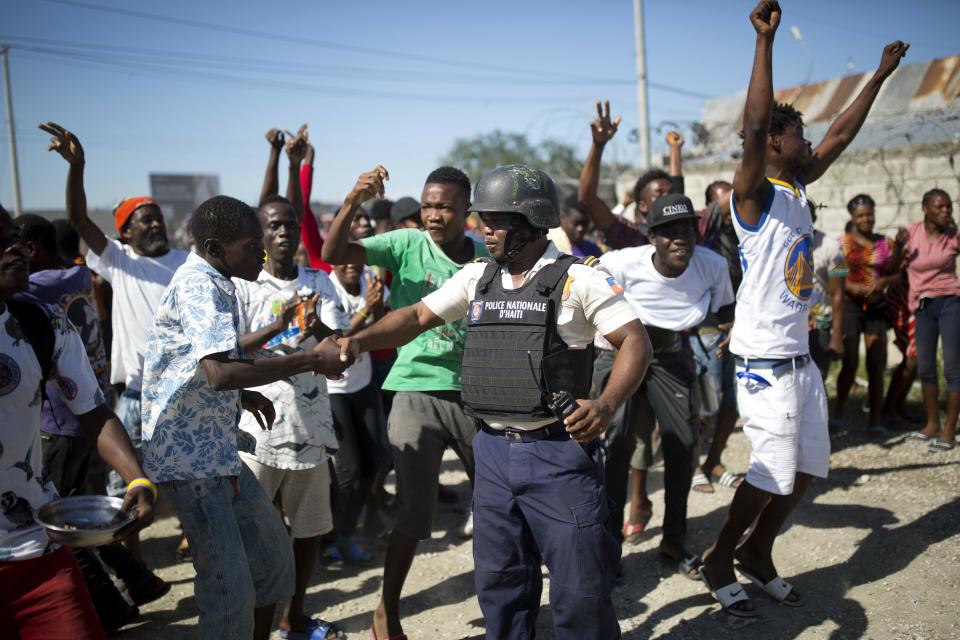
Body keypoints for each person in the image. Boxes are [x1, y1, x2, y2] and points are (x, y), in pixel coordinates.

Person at [338, 164, 650, 640]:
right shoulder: (477, 278)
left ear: (530, 222)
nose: (483, 228)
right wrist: (356, 342)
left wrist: (605, 406)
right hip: (492, 454)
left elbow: (634, 341)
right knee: (501, 586)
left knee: (580, 591)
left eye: (496, 219)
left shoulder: (578, 280)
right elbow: (417, 315)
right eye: (482, 217)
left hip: (557, 454)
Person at [700, 0, 907, 617]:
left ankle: (758, 552)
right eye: (797, 134)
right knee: (769, 469)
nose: (809, 139)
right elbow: (758, 123)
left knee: (809, 469)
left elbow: (841, 133)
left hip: (800, 357)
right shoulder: (754, 195)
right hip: (763, 360)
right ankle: (718, 556)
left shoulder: (799, 187)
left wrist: (877, 76)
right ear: (771, 146)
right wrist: (764, 44)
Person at [140, 195, 352, 640]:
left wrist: (243, 397)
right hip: (193, 464)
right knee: (229, 591)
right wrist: (310, 359)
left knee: (274, 562)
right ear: (216, 247)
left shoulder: (221, 280)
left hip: (218, 452)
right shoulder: (200, 284)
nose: (261, 251)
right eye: (251, 244)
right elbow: (219, 373)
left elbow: (198, 366)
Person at [321, 165, 487, 639]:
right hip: (414, 388)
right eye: (428, 205)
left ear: (467, 211)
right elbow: (332, 252)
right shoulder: (405, 244)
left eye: (446, 207)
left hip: (472, 393)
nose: (434, 216)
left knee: (499, 502)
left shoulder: (484, 258)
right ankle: (386, 609)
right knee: (415, 513)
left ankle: (506, 601)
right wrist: (354, 198)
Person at [0, 203, 154, 640]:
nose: (15, 248)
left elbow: (93, 410)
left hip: (35, 554)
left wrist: (136, 480)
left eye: (15, 236)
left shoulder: (41, 324)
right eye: (0, 240)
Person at [38, 123, 189, 549]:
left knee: (188, 475)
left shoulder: (187, 262)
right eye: (145, 219)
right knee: (126, 483)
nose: (155, 223)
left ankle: (194, 541)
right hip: (138, 394)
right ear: (125, 232)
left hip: (184, 389)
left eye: (157, 216)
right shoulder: (118, 260)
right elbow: (78, 219)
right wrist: (78, 168)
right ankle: (131, 558)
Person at [233, 193, 351, 639]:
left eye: (289, 225)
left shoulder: (321, 283)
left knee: (308, 532)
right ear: (260, 235)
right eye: (274, 226)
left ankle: (294, 615)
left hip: (311, 426)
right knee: (253, 535)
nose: (283, 233)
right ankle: (253, 622)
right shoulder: (243, 286)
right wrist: (277, 326)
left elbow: (343, 356)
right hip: (256, 432)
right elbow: (224, 354)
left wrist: (315, 325)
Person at [600, 194, 734, 577]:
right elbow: (585, 287)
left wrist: (731, 330)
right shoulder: (622, 263)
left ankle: (674, 541)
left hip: (670, 354)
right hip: (620, 352)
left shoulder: (712, 265)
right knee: (616, 445)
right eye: (669, 232)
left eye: (687, 229)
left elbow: (726, 309)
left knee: (683, 444)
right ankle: (608, 545)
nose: (681, 238)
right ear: (652, 237)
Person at [328, 261, 389, 560]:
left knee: (374, 463)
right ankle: (328, 537)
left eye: (354, 256)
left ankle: (346, 533)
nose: (350, 263)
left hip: (362, 383)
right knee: (348, 469)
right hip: (332, 390)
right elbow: (335, 341)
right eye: (342, 257)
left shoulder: (371, 284)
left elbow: (384, 325)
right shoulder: (326, 289)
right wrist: (366, 310)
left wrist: (377, 310)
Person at [834, 193, 902, 434]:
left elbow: (899, 273)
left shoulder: (886, 243)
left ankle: (875, 419)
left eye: (869, 214)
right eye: (860, 215)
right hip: (851, 307)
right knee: (850, 363)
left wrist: (883, 281)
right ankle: (839, 413)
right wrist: (852, 287)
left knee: (876, 363)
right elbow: (836, 276)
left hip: (876, 308)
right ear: (852, 216)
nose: (866, 219)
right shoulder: (841, 244)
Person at [692, 180, 745, 494]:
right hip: (708, 331)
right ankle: (693, 464)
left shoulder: (742, 237)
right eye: (723, 204)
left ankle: (714, 460)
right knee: (706, 404)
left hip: (739, 329)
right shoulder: (703, 244)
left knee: (732, 402)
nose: (730, 210)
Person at [578, 100, 685, 248]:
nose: (668, 199)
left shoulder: (690, 231)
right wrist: (598, 145)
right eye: (659, 194)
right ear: (642, 206)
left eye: (671, 193)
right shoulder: (632, 237)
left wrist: (675, 149)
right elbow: (587, 199)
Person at [900, 188, 959, 451]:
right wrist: (895, 249)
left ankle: (949, 431)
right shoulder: (910, 233)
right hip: (922, 306)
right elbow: (893, 269)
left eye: (949, 206)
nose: (946, 210)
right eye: (940, 206)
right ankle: (932, 424)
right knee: (925, 367)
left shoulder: (953, 235)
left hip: (950, 302)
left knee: (952, 369)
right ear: (925, 208)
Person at [808, 203, 848, 381]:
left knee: (817, 378)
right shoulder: (779, 246)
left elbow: (838, 292)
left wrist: (836, 335)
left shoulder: (833, 248)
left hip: (820, 325)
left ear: (814, 218)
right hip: (790, 326)